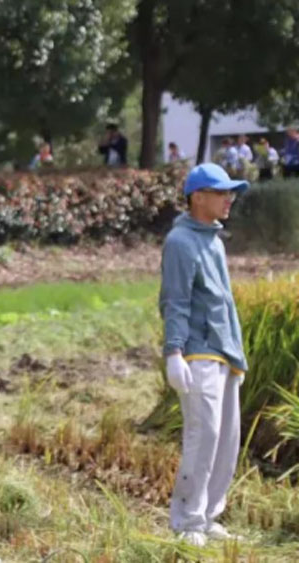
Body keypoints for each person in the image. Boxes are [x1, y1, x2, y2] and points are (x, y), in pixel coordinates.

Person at [160, 163, 248, 548]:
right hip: (198, 353)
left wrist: (238, 357)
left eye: (231, 192)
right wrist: (174, 352)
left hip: (225, 354)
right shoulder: (180, 242)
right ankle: (187, 520)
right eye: (221, 192)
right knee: (204, 434)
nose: (229, 199)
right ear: (198, 197)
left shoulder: (214, 240)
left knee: (227, 438)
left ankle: (209, 514)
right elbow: (175, 301)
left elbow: (224, 303)